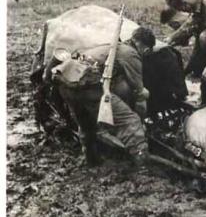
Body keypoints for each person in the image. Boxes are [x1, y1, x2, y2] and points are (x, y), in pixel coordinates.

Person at [50, 27, 154, 166]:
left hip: (67, 86)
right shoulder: (130, 54)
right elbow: (139, 91)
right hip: (88, 89)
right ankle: (143, 166)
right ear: (145, 47)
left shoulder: (108, 46)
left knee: (87, 125)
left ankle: (91, 159)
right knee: (131, 121)